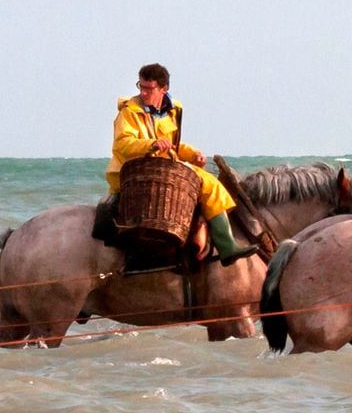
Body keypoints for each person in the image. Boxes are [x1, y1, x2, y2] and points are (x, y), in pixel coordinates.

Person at [106, 63, 256, 265]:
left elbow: (173, 145)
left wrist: (193, 154)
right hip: (136, 170)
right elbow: (123, 143)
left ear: (163, 89)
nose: (143, 92)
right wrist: (151, 144)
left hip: (162, 166)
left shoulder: (172, 110)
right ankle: (227, 246)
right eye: (140, 87)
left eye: (148, 88)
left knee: (206, 181)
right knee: (210, 184)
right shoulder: (130, 112)